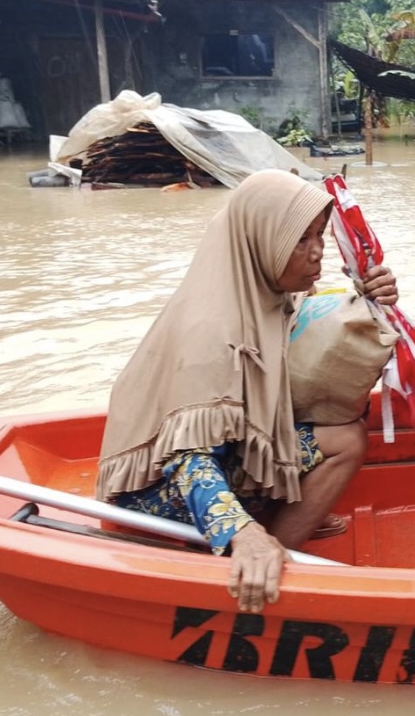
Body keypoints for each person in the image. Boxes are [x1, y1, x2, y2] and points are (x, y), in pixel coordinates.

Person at [95, 169, 399, 612]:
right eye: (301, 239)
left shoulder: (265, 291)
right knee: (346, 441)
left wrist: (372, 296)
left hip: (219, 453)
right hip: (153, 492)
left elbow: (324, 337)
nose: (318, 252)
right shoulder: (212, 330)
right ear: (262, 240)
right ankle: (276, 553)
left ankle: (277, 514)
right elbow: (188, 460)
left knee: (333, 396)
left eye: (320, 235)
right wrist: (244, 535)